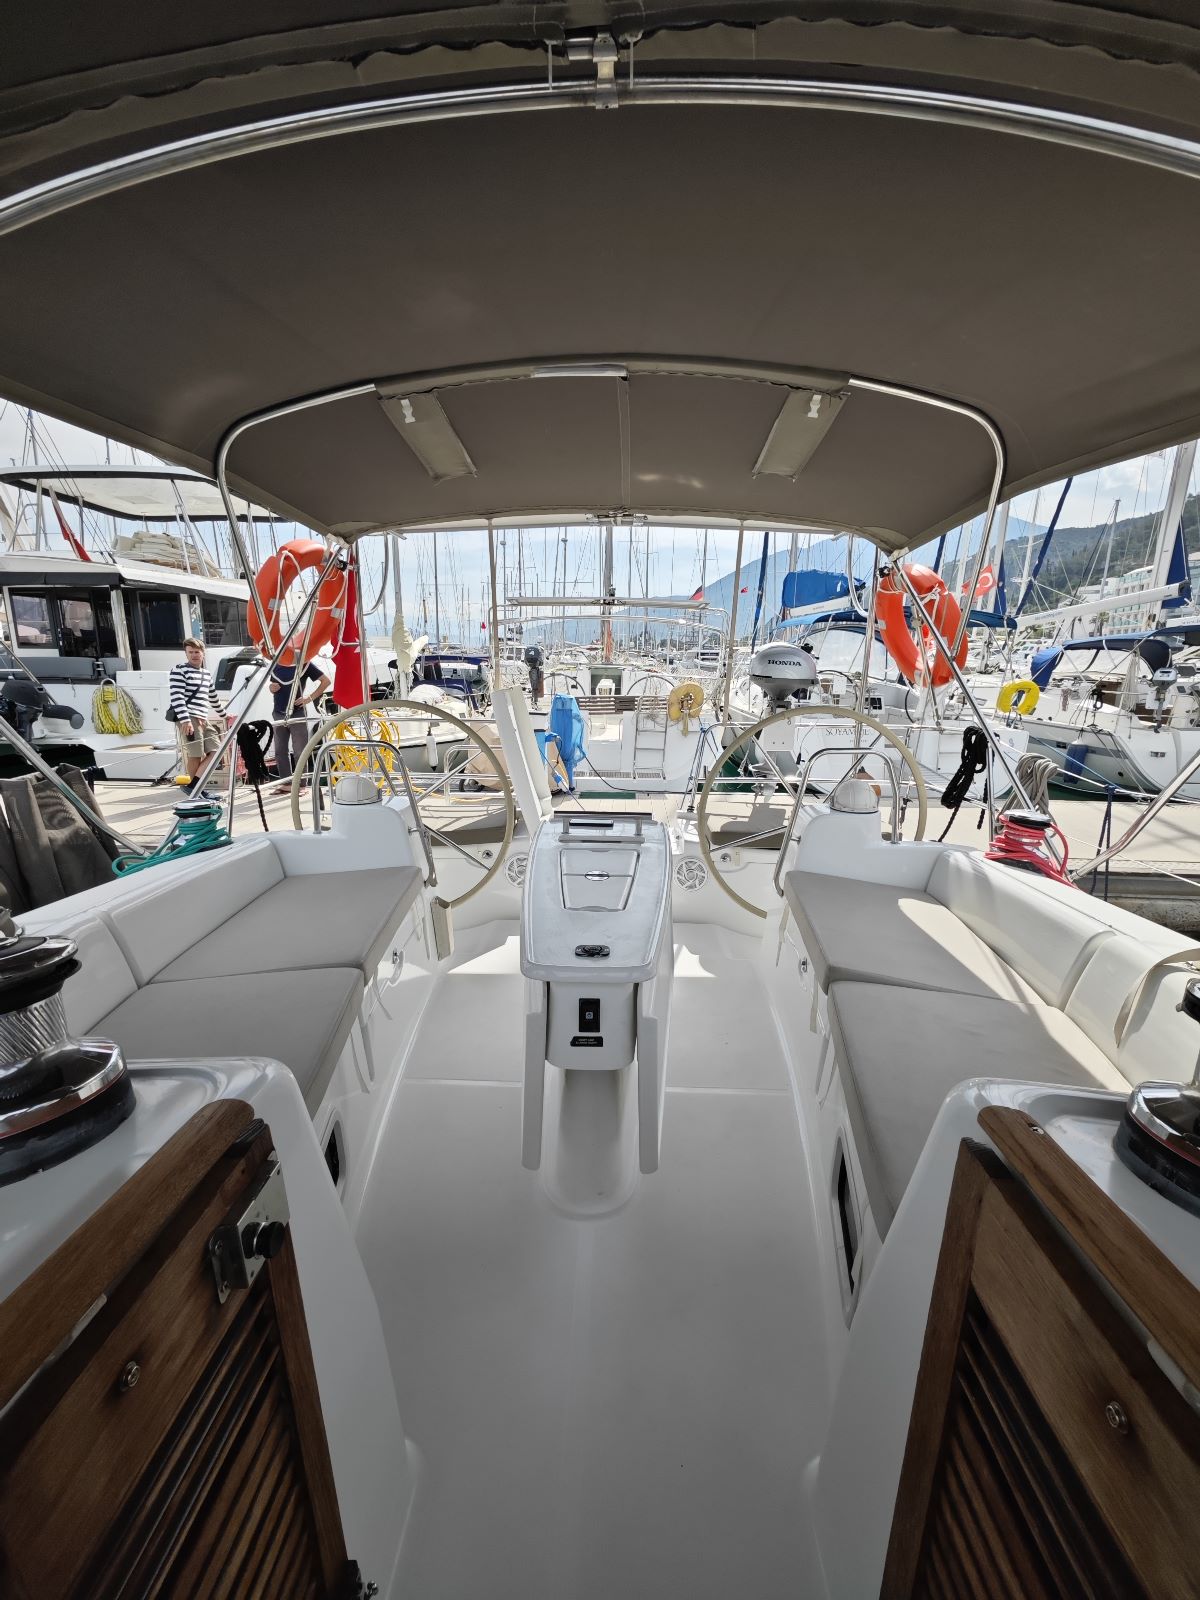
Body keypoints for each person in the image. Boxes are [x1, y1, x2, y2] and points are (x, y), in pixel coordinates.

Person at [169, 637, 225, 791]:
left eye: (197, 652)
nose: (194, 655)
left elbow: (213, 697)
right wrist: (185, 720)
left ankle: (195, 786)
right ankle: (196, 789)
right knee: (195, 754)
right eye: (190, 652)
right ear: (186, 654)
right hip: (189, 718)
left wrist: (224, 714)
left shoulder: (206, 674)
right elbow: (177, 696)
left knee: (217, 750)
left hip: (203, 718)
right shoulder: (179, 670)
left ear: (203, 653)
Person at [269, 655, 332, 784]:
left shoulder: (304, 663)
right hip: (278, 713)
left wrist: (309, 698)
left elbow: (326, 681)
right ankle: (285, 784)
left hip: (298, 714)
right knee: (280, 752)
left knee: (300, 752)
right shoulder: (276, 663)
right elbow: (272, 685)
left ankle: (300, 785)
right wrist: (271, 688)